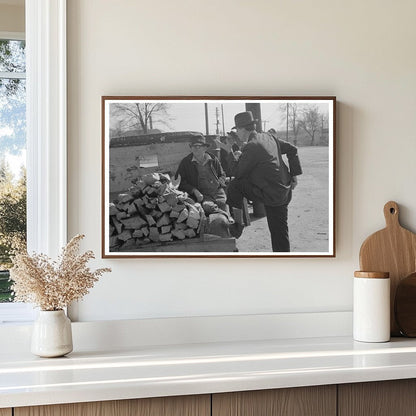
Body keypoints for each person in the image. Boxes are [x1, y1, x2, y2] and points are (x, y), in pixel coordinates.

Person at [222, 111, 302, 252]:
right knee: (280, 234)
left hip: (272, 196)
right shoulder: (269, 136)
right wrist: (294, 174)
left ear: (241, 129)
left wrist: (229, 152)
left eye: (237, 130)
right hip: (284, 190)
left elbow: (237, 172)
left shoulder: (252, 146)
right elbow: (292, 149)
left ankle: (238, 225)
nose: (237, 134)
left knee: (235, 185)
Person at [175, 134, 228, 212]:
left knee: (223, 204)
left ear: (205, 148)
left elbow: (222, 174)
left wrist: (222, 180)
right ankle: (226, 216)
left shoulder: (213, 159)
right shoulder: (186, 162)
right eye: (194, 146)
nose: (196, 148)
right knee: (207, 207)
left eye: (199, 146)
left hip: (218, 193)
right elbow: (180, 182)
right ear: (191, 148)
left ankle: (226, 216)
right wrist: (194, 190)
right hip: (203, 196)